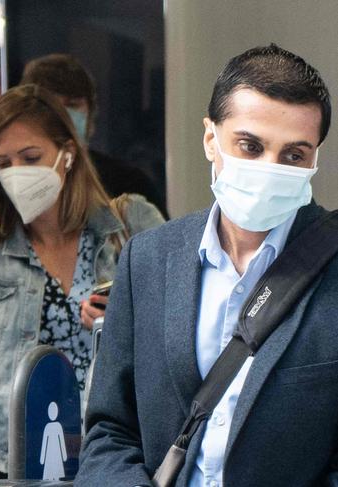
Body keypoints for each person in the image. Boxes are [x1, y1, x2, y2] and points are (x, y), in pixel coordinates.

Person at [77, 44, 338, 487]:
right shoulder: (148, 259)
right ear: (209, 140)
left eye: (294, 155)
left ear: (315, 158)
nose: (269, 168)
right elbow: (110, 430)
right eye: (249, 146)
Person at [0, 84, 164, 474]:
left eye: (31, 157)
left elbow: (181, 337)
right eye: (3, 164)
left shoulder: (131, 224)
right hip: (23, 464)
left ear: (67, 154)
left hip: (123, 459)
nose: (17, 173)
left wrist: (122, 323)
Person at [20, 53, 167, 217]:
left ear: (90, 112)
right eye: (51, 105)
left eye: (72, 105)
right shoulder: (15, 185)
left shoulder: (129, 184)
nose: (63, 115)